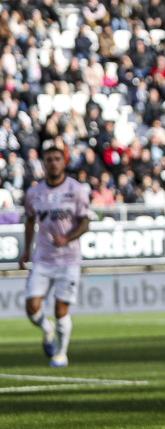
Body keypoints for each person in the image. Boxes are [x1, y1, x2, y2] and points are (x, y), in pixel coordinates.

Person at [18, 147, 90, 368]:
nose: (53, 163)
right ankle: (46, 329)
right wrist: (27, 250)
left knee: (60, 309)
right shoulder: (34, 193)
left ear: (64, 162)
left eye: (57, 159)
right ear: (43, 163)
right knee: (31, 308)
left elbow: (85, 222)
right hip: (42, 258)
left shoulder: (76, 190)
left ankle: (60, 354)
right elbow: (30, 220)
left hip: (69, 259)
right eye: (48, 159)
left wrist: (67, 238)